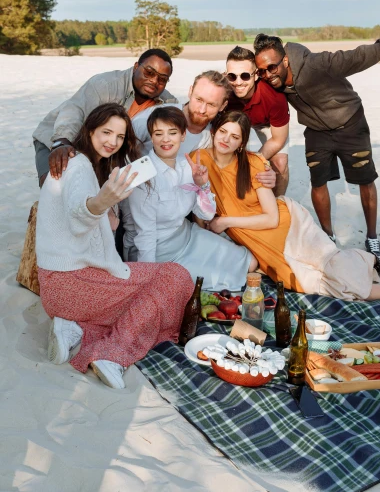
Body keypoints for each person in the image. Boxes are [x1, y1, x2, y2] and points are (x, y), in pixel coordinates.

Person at [195, 110, 380, 310]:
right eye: (223, 131)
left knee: (331, 265)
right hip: (264, 247)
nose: (226, 139)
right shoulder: (197, 161)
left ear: (241, 143)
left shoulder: (253, 163)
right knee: (320, 285)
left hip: (289, 228)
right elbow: (195, 204)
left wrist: (226, 222)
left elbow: (271, 217)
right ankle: (374, 267)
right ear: (214, 131)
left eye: (235, 137)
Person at [36, 103, 193, 390]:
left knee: (149, 291)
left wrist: (108, 203)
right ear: (90, 129)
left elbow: (97, 224)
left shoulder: (89, 166)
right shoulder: (79, 166)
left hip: (57, 287)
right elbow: (78, 218)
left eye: (119, 137)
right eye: (106, 132)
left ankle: (72, 327)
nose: (112, 141)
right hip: (73, 283)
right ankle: (111, 354)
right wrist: (102, 201)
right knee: (176, 277)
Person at [253, 33, 380, 258]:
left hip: (350, 123)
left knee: (365, 180)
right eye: (262, 71)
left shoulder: (316, 65)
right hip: (316, 130)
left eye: (272, 68)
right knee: (318, 181)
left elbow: (357, 57)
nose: (268, 74)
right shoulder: (271, 81)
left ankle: (372, 237)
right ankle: (328, 235)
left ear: (285, 61)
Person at [122, 105, 256, 288]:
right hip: (159, 252)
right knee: (222, 282)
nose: (166, 140)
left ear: (183, 135)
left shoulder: (187, 165)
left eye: (172, 132)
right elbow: (144, 234)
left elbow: (206, 215)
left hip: (188, 236)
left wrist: (203, 185)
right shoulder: (143, 174)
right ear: (151, 137)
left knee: (249, 263)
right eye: (158, 133)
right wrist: (148, 277)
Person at [33, 48, 175, 186]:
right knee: (54, 186)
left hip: (106, 151)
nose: (154, 81)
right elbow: (75, 109)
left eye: (162, 79)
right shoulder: (105, 84)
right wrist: (61, 143)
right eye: (149, 72)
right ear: (136, 66)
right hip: (58, 137)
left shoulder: (168, 103)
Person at [132, 69, 276, 190]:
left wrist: (264, 172)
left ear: (223, 106)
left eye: (211, 105)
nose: (202, 110)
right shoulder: (155, 117)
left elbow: (235, 161)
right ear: (190, 92)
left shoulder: (215, 135)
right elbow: (121, 151)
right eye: (199, 99)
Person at [225, 46, 290, 196]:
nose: (238, 82)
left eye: (245, 76)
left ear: (255, 75)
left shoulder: (274, 98)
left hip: (266, 124)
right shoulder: (224, 92)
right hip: (237, 123)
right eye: (232, 76)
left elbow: (278, 139)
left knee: (279, 163)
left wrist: (253, 160)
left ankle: (279, 202)